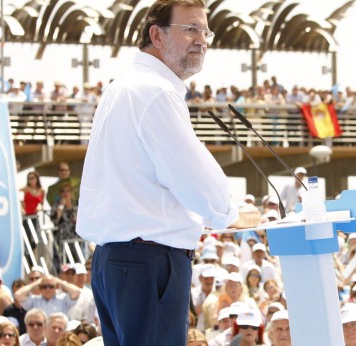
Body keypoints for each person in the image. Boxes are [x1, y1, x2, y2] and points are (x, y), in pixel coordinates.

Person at [75, 1, 260, 345]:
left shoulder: (124, 86)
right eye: (190, 29)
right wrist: (231, 214)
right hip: (148, 260)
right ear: (156, 35)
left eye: (205, 31)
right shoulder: (155, 91)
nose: (201, 41)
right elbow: (196, 180)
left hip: (117, 259)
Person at [14, 275, 80, 317]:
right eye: (44, 286)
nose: (47, 289)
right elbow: (17, 295)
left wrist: (59, 281)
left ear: (56, 287)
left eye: (51, 286)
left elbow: (77, 291)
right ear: (40, 287)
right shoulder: (34, 300)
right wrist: (37, 282)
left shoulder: (63, 299)